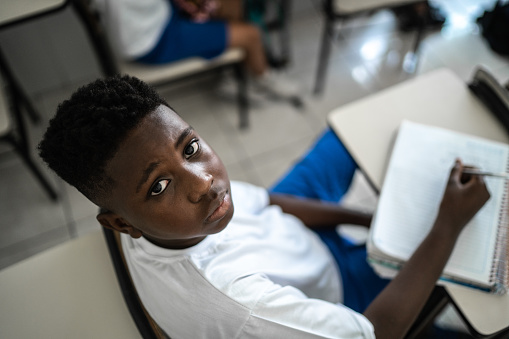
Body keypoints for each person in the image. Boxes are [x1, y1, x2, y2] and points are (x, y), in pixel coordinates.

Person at [38, 75, 490, 339]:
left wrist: (374, 218)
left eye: (191, 146)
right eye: (159, 187)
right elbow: (374, 332)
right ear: (120, 223)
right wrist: (446, 225)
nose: (204, 182)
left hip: (280, 234)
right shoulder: (241, 306)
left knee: (351, 132)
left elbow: (270, 201)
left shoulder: (190, 213)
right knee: (468, 286)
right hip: (330, 285)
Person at [93, 0, 299, 99]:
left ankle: (235, 71)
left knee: (228, 5)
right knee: (251, 35)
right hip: (153, 40)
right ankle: (262, 78)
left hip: (148, 23)